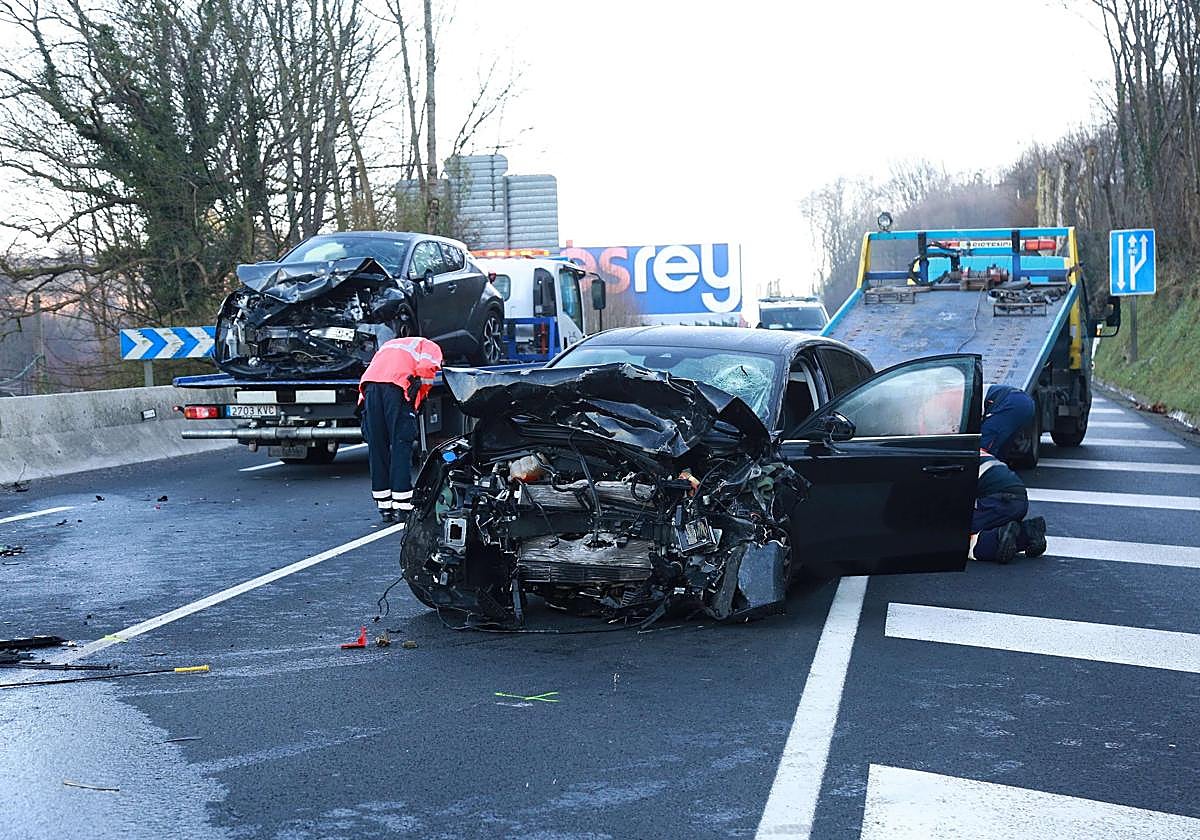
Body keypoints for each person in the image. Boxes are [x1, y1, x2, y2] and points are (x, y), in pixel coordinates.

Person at [359, 336, 443, 522]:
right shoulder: (429, 346)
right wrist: (420, 398)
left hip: (370, 386)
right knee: (400, 443)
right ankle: (403, 505)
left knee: (377, 445)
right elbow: (426, 370)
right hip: (397, 388)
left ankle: (384, 506)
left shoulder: (390, 344)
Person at [970, 448, 1047, 563]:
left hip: (999, 499)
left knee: (957, 536)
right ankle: (1027, 533)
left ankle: (996, 539)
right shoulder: (973, 449)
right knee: (992, 525)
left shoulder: (948, 461)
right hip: (1018, 498)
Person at [981, 384, 1036, 460]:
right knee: (1001, 449)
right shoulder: (967, 388)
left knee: (983, 447)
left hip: (1010, 402)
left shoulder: (963, 396)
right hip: (1024, 401)